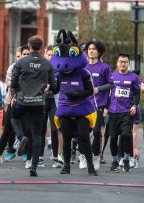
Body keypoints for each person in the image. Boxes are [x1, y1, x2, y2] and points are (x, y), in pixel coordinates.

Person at [50, 30, 98, 176]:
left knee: (84, 137)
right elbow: (56, 89)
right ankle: (66, 166)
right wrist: (50, 86)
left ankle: (90, 166)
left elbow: (90, 91)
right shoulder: (59, 74)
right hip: (65, 109)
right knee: (66, 139)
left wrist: (77, 94)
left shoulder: (84, 73)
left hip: (81, 110)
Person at [11, 35, 57, 177]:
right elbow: (54, 86)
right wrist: (46, 90)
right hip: (39, 102)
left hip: (23, 100)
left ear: (29, 47)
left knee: (14, 117)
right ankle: (34, 166)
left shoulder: (21, 62)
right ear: (41, 47)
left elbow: (13, 83)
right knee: (37, 135)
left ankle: (20, 137)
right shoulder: (47, 64)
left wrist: (19, 93)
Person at [0, 45, 29, 166]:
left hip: (29, 102)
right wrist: (15, 97)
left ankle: (28, 157)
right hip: (15, 101)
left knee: (27, 130)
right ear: (20, 55)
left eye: (28, 54)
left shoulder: (33, 67)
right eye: (24, 54)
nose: (26, 56)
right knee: (7, 129)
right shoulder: (13, 67)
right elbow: (10, 84)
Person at [108, 53, 140, 172]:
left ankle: (126, 158)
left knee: (126, 134)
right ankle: (115, 160)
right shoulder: (112, 76)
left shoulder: (134, 77)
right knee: (113, 138)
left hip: (127, 112)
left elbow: (137, 93)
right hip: (113, 112)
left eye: (125, 62)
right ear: (117, 63)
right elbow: (107, 92)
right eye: (121, 61)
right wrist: (106, 107)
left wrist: (134, 105)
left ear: (128, 63)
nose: (123, 64)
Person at [83, 40, 112, 171]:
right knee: (83, 132)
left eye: (94, 49)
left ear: (99, 52)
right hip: (84, 104)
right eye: (89, 49)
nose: (91, 51)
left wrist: (98, 89)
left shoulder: (104, 67)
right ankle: (83, 155)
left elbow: (111, 84)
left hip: (99, 104)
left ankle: (96, 156)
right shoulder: (83, 67)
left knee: (96, 132)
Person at [38, 45, 61, 168]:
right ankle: (40, 158)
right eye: (49, 54)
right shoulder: (41, 68)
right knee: (41, 129)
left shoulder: (58, 69)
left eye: (53, 55)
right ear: (45, 54)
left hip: (54, 101)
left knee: (54, 129)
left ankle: (56, 158)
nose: (51, 56)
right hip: (42, 101)